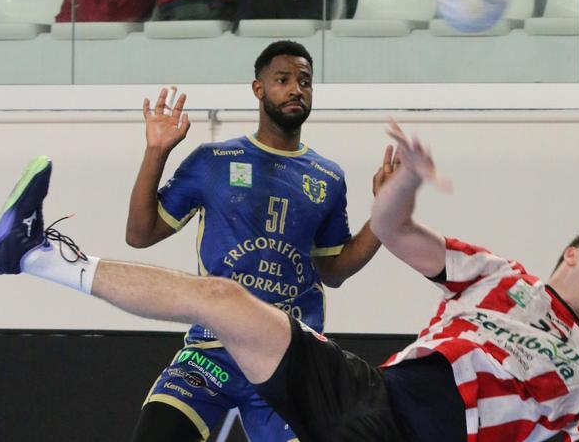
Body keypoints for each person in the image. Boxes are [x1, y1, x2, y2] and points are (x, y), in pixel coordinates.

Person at [0, 120, 579, 442]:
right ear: (573, 252)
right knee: (225, 298)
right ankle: (32, 255)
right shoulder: (497, 275)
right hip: (369, 391)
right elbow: (395, 232)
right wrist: (403, 188)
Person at [125, 41, 393, 441]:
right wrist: (156, 152)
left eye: (304, 81)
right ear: (258, 89)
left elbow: (334, 270)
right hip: (211, 352)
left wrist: (387, 213)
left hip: (289, 360)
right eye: (282, 80)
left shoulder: (326, 176)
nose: (295, 89)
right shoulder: (212, 161)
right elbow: (140, 234)